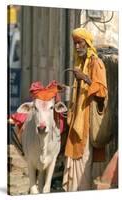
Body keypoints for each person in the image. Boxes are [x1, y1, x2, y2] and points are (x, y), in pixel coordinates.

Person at [62, 28, 108, 191]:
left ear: (87, 44)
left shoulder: (96, 63)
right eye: (74, 44)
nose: (76, 47)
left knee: (83, 169)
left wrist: (85, 78)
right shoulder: (80, 63)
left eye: (79, 43)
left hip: (87, 126)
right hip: (76, 123)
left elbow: (102, 93)